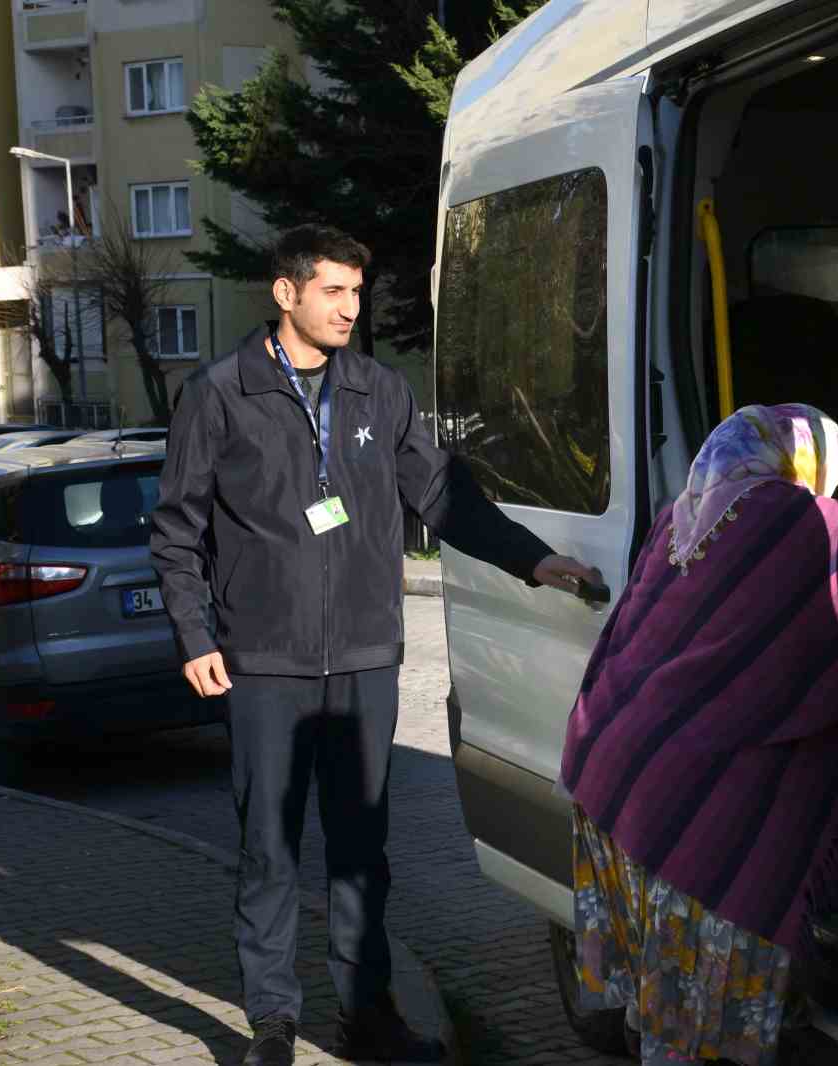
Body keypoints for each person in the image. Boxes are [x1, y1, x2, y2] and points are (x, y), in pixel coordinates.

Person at [149, 224, 599, 1066]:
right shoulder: (219, 393)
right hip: (264, 664)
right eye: (334, 291)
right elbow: (177, 530)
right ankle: (272, 1024)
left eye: (357, 291)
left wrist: (532, 559)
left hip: (363, 659)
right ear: (285, 293)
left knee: (362, 853)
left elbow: (444, 495)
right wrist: (194, 633)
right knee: (269, 850)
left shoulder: (378, 391)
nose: (351, 307)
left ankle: (367, 1018)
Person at [559, 404, 838, 1066]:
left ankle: (646, 1034)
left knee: (657, 986)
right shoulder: (802, 522)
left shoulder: (676, 518)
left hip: (613, 770)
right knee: (700, 1015)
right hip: (689, 795)